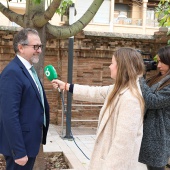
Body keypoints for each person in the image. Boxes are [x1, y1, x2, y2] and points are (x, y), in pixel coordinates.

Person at [52, 47, 146, 170]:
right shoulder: (119, 88)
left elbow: (123, 145)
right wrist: (66, 86)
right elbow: (94, 92)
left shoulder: (130, 99)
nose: (110, 66)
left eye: (113, 63)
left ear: (122, 66)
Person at [0, 28, 50, 170]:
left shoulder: (29, 70)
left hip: (29, 143)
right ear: (21, 48)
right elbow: (9, 115)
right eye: (35, 46)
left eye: (40, 46)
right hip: (20, 147)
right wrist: (19, 151)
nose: (39, 50)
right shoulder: (12, 73)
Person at [139, 46, 170, 170]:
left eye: (162, 62)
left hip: (159, 135)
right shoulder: (158, 78)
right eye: (158, 62)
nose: (158, 66)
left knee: (156, 167)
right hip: (150, 133)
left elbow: (153, 101)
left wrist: (140, 77)